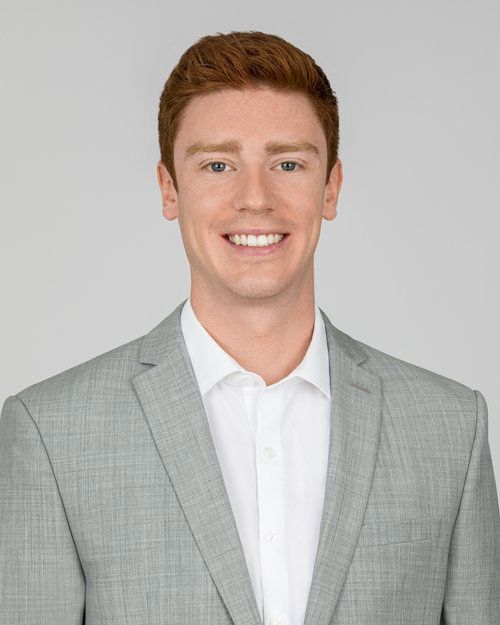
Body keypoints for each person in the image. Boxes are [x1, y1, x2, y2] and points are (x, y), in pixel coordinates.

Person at [0, 30, 498, 625]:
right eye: (218, 165)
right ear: (169, 189)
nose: (255, 198)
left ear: (331, 187)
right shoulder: (51, 434)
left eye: (287, 163)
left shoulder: (450, 428)